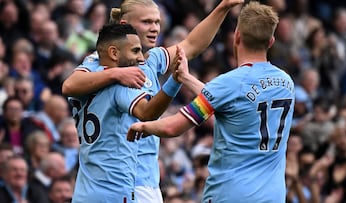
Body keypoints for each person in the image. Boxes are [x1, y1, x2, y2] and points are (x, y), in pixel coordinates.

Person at [62, 0, 243, 202]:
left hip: (134, 180)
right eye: (147, 22)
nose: (155, 28)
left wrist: (223, 7)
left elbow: (191, 45)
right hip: (124, 182)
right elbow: (69, 85)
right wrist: (117, 74)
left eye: (157, 22)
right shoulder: (104, 64)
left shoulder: (151, 59)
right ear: (125, 25)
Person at [127, 2, 295, 202]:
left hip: (231, 194)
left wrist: (144, 126)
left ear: (237, 36)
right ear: (271, 41)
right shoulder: (286, 83)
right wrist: (187, 79)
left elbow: (174, 127)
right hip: (272, 196)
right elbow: (233, 101)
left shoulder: (229, 83)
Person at [70, 23, 186, 203]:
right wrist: (175, 81)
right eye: (135, 51)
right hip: (115, 189)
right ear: (114, 53)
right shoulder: (121, 81)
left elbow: (68, 86)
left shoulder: (86, 77)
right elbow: (147, 113)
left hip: (84, 191)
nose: (141, 58)